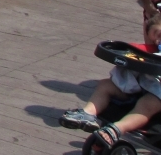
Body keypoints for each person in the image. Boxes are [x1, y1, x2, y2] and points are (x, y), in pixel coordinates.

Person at [58, 12, 161, 144]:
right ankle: (88, 114)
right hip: (140, 88)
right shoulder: (155, 51)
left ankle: (118, 129)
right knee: (105, 85)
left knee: (147, 104)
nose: (157, 41)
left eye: (159, 35)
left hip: (156, 96)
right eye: (154, 39)